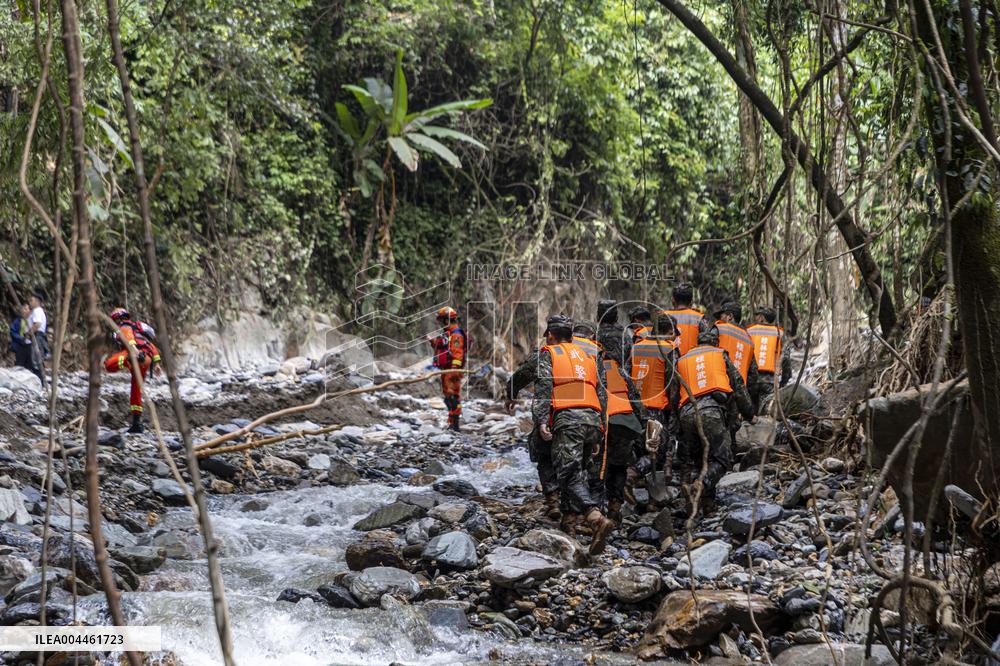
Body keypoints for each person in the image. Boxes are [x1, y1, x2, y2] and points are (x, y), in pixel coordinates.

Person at [532, 314, 615, 554]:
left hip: (568, 419)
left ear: (550, 335)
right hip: (592, 418)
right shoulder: (589, 354)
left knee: (566, 473)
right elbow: (602, 392)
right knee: (578, 472)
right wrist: (601, 428)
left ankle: (594, 517)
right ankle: (569, 525)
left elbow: (544, 387)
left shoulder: (550, 353)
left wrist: (541, 420)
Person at [670, 329, 754, 513]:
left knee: (699, 459)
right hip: (711, 412)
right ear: (715, 343)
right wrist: (749, 414)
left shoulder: (682, 360)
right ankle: (701, 485)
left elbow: (674, 396)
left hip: (686, 413)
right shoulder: (720, 355)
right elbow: (738, 386)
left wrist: (677, 424)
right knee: (722, 458)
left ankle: (707, 504)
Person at [596, 303, 647, 523]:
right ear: (617, 316)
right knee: (618, 463)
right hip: (622, 402)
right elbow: (630, 364)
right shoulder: (626, 336)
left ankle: (595, 512)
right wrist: (645, 424)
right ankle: (615, 508)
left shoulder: (594, 336)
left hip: (599, 414)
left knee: (597, 463)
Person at [505, 345, 561, 520]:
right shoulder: (587, 354)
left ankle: (554, 501)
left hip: (554, 413)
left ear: (551, 335)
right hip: (587, 415)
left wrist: (510, 394)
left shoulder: (546, 354)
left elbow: (521, 375)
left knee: (544, 454)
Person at [631, 313, 679, 473]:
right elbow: (672, 385)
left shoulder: (636, 347)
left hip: (634, 409)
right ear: (667, 332)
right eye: (672, 333)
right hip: (655, 411)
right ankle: (632, 475)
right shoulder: (668, 349)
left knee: (639, 447)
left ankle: (636, 478)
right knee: (657, 452)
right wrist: (675, 413)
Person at [104, 307, 160, 434]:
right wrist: (156, 364)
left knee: (108, 365)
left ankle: (128, 359)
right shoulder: (139, 332)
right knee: (136, 390)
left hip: (135, 356)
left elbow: (128, 338)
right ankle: (136, 423)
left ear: (118, 319)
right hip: (146, 360)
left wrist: (134, 352)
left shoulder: (124, 327)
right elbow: (152, 348)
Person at [713, 302, 759, 448]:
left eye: (721, 316)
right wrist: (746, 398)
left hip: (716, 388)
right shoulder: (748, 339)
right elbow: (753, 374)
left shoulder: (719, 329)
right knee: (731, 431)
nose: (719, 319)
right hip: (736, 394)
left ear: (730, 316)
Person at [747, 306, 792, 413]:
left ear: (762, 317)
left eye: (757, 315)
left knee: (749, 414)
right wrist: (783, 382)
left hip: (750, 380)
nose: (756, 318)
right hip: (770, 382)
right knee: (767, 413)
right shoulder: (779, 334)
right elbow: (786, 359)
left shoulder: (749, 331)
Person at [430, 306, 466, 431]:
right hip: (446, 370)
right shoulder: (448, 334)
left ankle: (455, 426)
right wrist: (433, 342)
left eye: (442, 320)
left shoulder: (456, 335)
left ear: (447, 320)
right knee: (448, 397)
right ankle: (451, 424)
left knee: (453, 397)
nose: (441, 324)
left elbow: (457, 353)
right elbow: (444, 347)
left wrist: (454, 370)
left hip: (452, 370)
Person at [662, 283, 709, 356]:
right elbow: (708, 342)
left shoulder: (663, 316)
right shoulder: (698, 317)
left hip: (668, 361)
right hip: (691, 361)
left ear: (673, 300)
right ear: (691, 302)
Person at [27, 292, 49, 384]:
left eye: (31, 300)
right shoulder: (38, 311)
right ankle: (41, 381)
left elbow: (37, 324)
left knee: (36, 359)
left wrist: (29, 333)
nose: (29, 302)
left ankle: (39, 381)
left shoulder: (37, 311)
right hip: (39, 336)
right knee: (37, 358)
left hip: (37, 336)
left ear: (37, 301)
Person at [9, 304, 36, 376]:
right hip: (20, 345)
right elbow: (12, 332)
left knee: (29, 365)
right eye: (24, 309)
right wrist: (21, 338)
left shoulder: (32, 321)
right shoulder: (18, 321)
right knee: (19, 364)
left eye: (27, 309)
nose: (25, 311)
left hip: (29, 346)